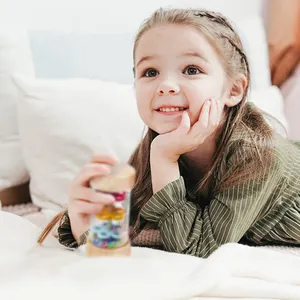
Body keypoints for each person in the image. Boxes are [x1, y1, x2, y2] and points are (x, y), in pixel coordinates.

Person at [38, 8, 300, 258]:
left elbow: (197, 247)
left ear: (233, 90)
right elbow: (136, 230)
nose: (165, 85)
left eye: (191, 70)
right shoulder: (156, 146)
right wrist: (86, 226)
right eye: (150, 72)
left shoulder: (255, 155)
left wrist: (165, 159)